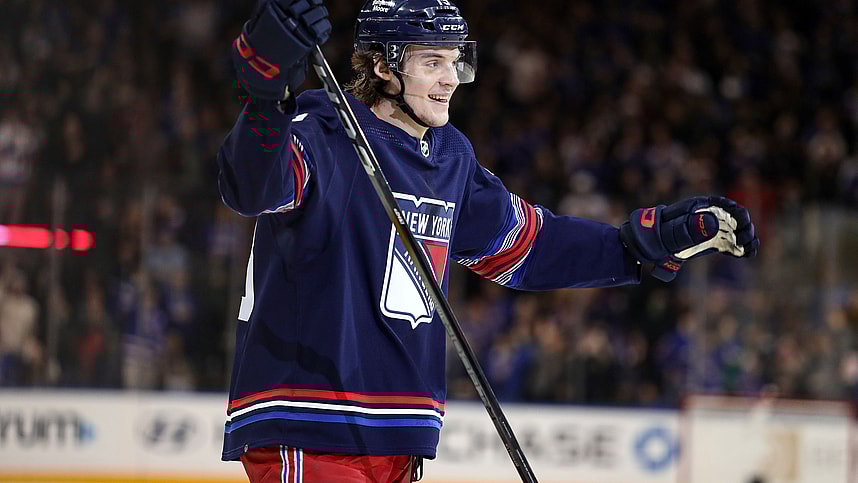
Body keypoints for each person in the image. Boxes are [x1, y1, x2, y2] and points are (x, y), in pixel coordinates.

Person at [217, 1, 760, 481]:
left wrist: (638, 246)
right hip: (311, 418)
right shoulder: (323, 130)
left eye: (456, 61)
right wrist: (266, 94)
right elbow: (251, 187)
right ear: (382, 66)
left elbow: (531, 249)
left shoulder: (450, 157)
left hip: (396, 434)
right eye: (432, 62)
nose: (450, 78)